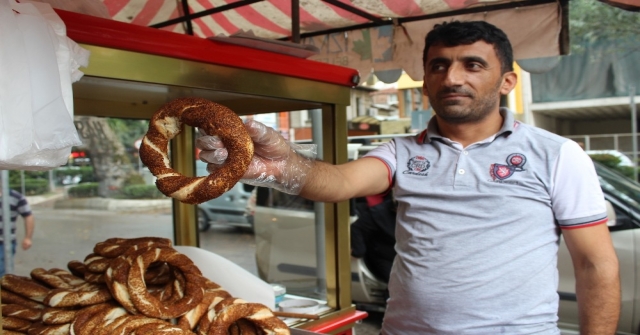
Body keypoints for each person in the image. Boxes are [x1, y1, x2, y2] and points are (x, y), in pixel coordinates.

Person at [198, 21, 620, 334]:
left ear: (507, 80)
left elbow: (595, 264)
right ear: (425, 82)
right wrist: (280, 165)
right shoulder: (403, 151)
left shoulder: (556, 155)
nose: (452, 77)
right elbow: (339, 183)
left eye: (473, 65)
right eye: (439, 66)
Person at [350, 192, 396, 284]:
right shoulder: (380, 212)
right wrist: (358, 251)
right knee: (396, 284)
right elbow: (356, 228)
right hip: (385, 255)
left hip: (407, 254)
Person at [0, 181, 35, 277]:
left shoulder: (15, 197)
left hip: (4, 243)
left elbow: (28, 216)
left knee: (2, 271)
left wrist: (28, 237)